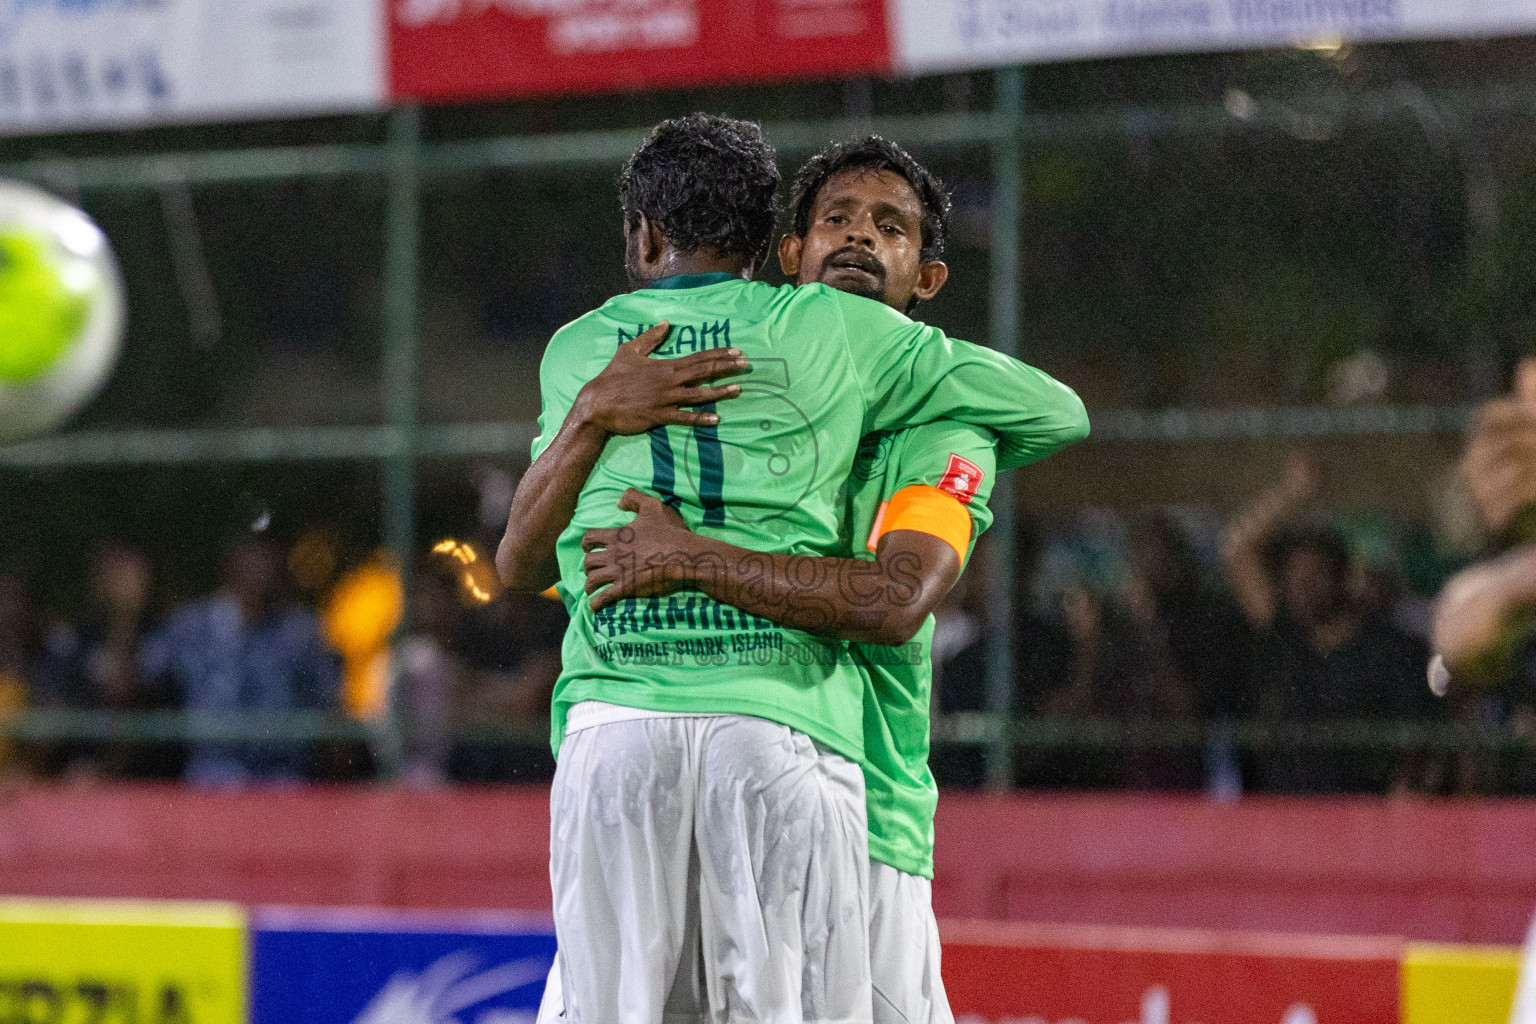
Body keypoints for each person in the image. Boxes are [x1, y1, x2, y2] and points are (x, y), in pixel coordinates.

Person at [498, 116, 1087, 1023]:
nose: (858, 236)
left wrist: (691, 557)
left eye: (890, 228)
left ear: (928, 276)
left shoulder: (942, 432)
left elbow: (899, 598)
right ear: (783, 252)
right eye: (838, 219)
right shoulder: (796, 346)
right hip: (768, 746)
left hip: (873, 804)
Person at [1223, 455, 1430, 793]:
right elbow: (1236, 547)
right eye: (1294, 577)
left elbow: (1413, 743)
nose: (1302, 587)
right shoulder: (1283, 634)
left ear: (1341, 579)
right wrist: (1290, 492)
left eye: (1314, 575)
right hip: (1286, 817)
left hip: (1358, 817)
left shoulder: (1383, 648)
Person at [143, 535, 340, 786]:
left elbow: (331, 710)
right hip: (210, 778)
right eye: (250, 553)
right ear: (230, 562)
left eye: (266, 555)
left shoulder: (302, 633)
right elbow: (139, 686)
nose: (259, 566)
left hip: (283, 781)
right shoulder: (191, 625)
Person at [42, 543, 180, 779]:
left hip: (149, 775)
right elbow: (61, 707)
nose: (123, 582)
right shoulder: (76, 638)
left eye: (132, 574)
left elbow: (135, 696)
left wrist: (125, 621)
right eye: (116, 573)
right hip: (81, 771)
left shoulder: (166, 636)